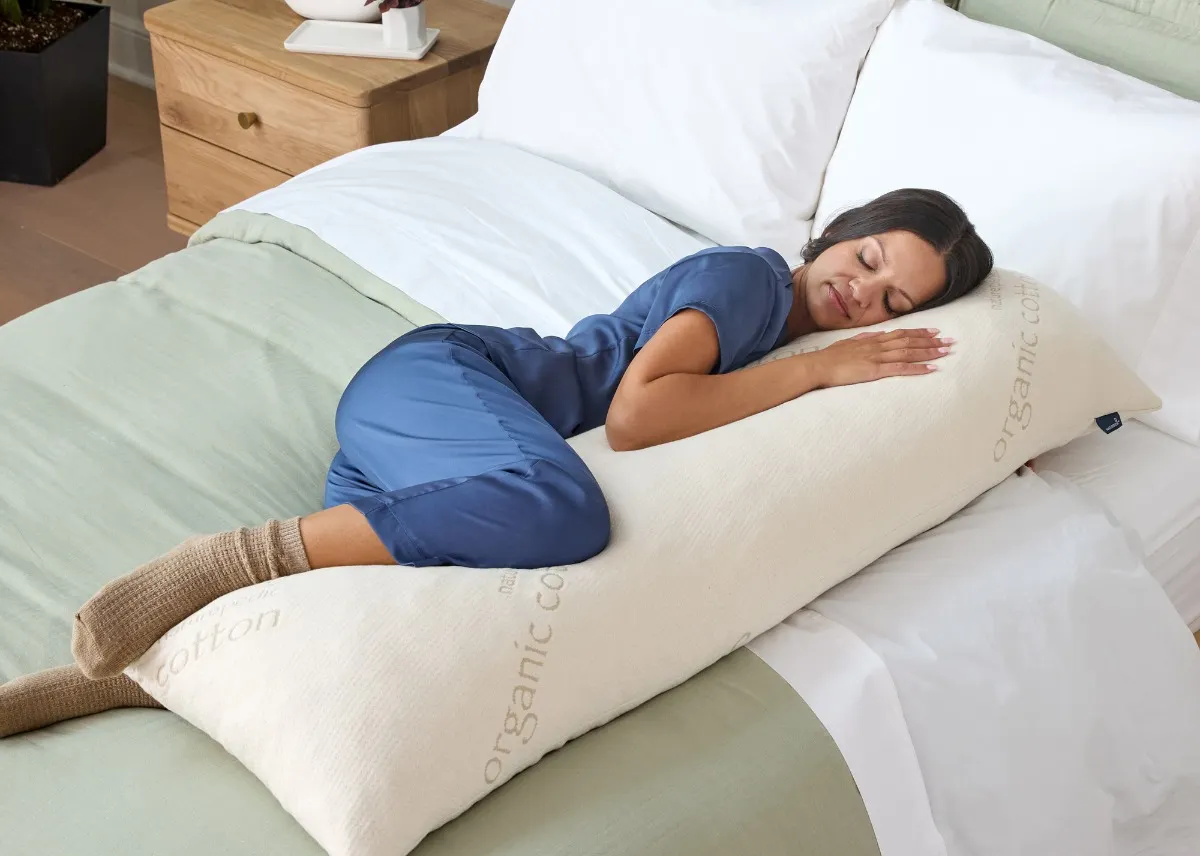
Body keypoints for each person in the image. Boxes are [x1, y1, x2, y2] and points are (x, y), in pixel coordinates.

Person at [0, 188, 992, 736]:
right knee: (566, 512)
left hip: (452, 460)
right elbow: (643, 415)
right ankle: (226, 558)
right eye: (869, 263)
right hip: (451, 381)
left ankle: (119, 682)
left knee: (337, 640)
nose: (867, 300)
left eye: (899, 303)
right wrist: (818, 379)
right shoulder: (747, 282)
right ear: (842, 233)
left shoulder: (788, 336)